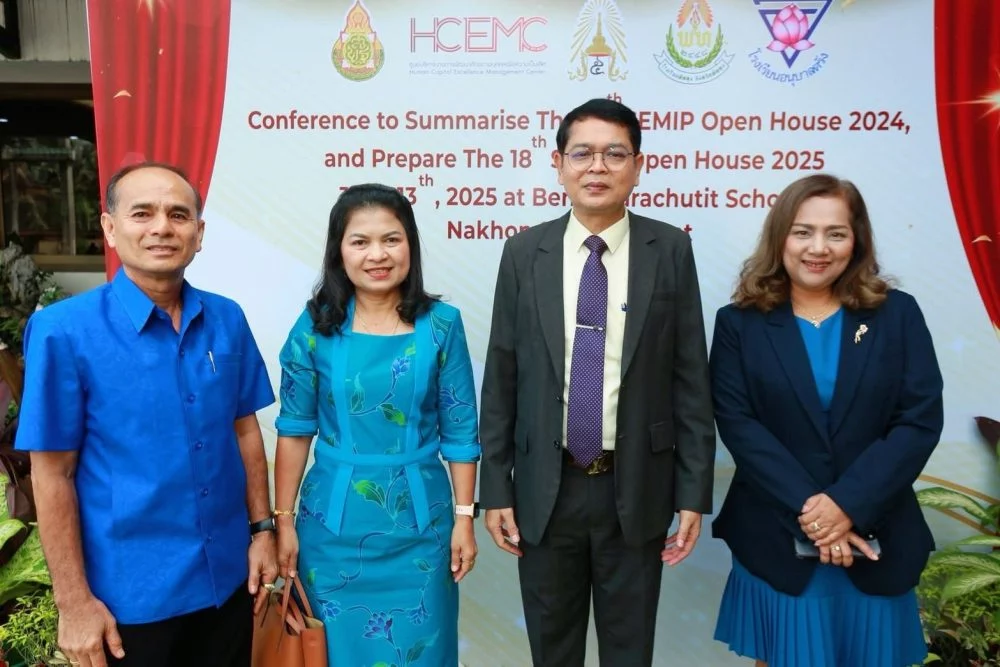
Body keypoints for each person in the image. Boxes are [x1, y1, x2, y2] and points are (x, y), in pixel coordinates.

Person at [478, 98, 716, 666]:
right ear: (559, 164)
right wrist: (497, 488)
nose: (597, 167)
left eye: (615, 154)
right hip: (545, 488)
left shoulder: (670, 249)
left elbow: (690, 379)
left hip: (636, 487)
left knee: (629, 652)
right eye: (582, 153)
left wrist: (692, 494)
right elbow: (502, 376)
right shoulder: (523, 253)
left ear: (638, 166)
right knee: (552, 651)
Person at [17, 162, 278, 667]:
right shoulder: (63, 331)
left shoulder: (226, 318)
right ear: (110, 228)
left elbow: (245, 430)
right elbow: (52, 473)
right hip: (130, 600)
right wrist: (73, 604)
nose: (162, 227)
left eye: (178, 215)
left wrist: (262, 530)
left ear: (199, 233)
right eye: (142, 213)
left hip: (227, 581)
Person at [710, 174, 942, 667]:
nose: (818, 248)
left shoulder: (897, 314)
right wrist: (817, 516)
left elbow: (918, 420)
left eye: (835, 233)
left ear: (856, 241)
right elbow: (739, 425)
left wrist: (848, 505)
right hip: (776, 535)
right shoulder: (738, 323)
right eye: (803, 232)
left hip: (877, 534)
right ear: (781, 238)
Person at [273, 183, 480, 667]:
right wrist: (283, 521)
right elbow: (295, 430)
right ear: (339, 252)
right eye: (360, 242)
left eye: (391, 239)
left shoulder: (443, 324)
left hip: (423, 532)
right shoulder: (314, 327)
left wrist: (464, 518)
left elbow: (461, 431)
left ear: (410, 245)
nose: (377, 255)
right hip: (331, 532)